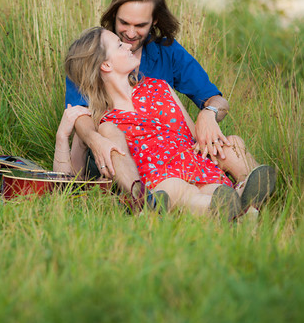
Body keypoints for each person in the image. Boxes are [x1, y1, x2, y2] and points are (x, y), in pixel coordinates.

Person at [65, 0, 269, 199]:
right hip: (126, 157)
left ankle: (251, 194)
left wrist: (208, 114)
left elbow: (215, 99)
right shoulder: (93, 56)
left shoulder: (167, 53)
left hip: (176, 151)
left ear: (154, 22)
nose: (130, 34)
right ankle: (144, 198)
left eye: (140, 25)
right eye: (124, 23)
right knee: (165, 181)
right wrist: (96, 140)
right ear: (114, 16)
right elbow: (79, 115)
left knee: (233, 145)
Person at [63, 26, 276, 218]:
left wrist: (221, 146)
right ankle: (237, 208)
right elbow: (77, 171)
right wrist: (63, 138)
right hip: (161, 180)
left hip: (194, 163)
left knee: (233, 146)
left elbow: (195, 136)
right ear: (106, 65)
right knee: (180, 190)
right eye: (119, 45)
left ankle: (244, 193)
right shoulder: (106, 121)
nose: (128, 45)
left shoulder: (160, 87)